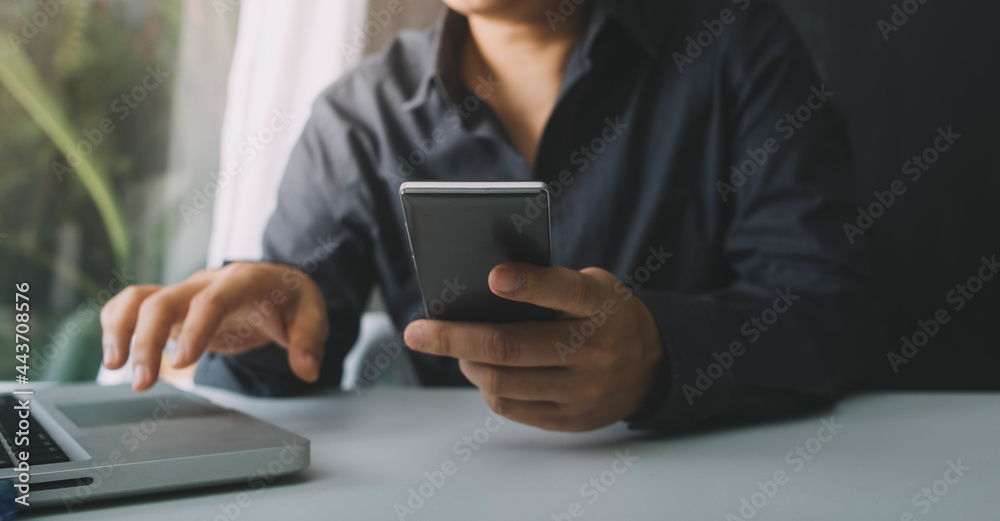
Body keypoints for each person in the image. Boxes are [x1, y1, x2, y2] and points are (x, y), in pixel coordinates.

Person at [100, 0, 881, 432]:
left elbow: (831, 313)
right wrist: (255, 321)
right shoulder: (360, 118)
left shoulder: (739, 47)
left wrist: (658, 354)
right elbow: (286, 356)